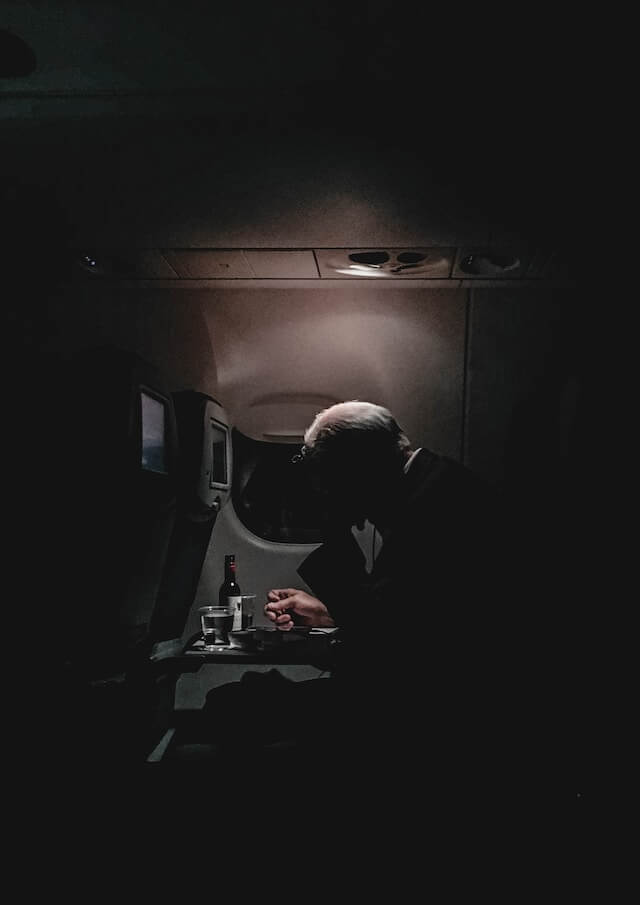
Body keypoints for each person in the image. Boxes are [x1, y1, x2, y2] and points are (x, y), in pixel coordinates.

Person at [203, 401, 531, 796]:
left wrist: (336, 531)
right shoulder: (433, 487)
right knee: (240, 702)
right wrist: (326, 614)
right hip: (411, 694)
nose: (325, 494)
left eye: (329, 483)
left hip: (430, 713)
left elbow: (380, 649)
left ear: (359, 471)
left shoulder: (434, 513)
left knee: (233, 706)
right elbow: (403, 614)